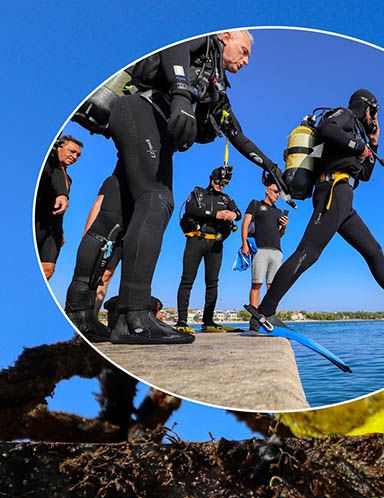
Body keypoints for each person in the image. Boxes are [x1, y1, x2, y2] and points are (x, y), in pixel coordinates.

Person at [63, 29, 284, 345]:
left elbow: (238, 136)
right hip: (142, 111)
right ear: (225, 37)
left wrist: (272, 167)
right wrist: (181, 94)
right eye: (245, 50)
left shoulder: (215, 89)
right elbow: (174, 45)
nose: (246, 60)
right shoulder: (202, 42)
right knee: (157, 199)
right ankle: (134, 315)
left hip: (142, 125)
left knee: (113, 219)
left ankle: (79, 314)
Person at [254, 89, 384, 327]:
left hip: (344, 196)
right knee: (308, 252)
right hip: (332, 191)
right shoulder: (344, 115)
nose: (373, 118)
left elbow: (364, 175)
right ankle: (265, 311)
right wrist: (358, 146)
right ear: (368, 108)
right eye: (373, 112)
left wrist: (373, 143)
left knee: (373, 250)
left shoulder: (355, 132)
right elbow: (327, 129)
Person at [174, 166, 241, 333]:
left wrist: (234, 215)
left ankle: (208, 321)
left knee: (212, 282)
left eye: (224, 183)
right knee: (187, 280)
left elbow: (238, 213)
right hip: (196, 239)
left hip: (216, 243)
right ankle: (182, 321)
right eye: (218, 181)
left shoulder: (227, 199)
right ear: (212, 178)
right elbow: (191, 209)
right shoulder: (198, 194)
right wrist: (216, 215)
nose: (220, 185)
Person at [63, 173, 124, 341]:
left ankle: (93, 319)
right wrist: (88, 232)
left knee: (107, 275)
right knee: (95, 275)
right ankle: (84, 319)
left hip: (125, 233)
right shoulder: (113, 180)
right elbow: (98, 204)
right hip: (106, 232)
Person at [35, 135, 83, 280]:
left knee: (48, 269)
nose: (75, 157)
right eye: (72, 151)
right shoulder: (46, 166)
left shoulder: (68, 179)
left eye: (78, 155)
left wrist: (60, 231)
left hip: (53, 228)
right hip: (38, 221)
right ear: (58, 147)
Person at [242, 174, 289, 308]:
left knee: (272, 287)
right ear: (267, 190)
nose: (277, 195)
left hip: (276, 251)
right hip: (260, 250)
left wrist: (284, 227)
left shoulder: (279, 211)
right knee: (256, 284)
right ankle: (254, 317)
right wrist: (245, 244)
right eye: (275, 192)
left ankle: (269, 315)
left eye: (279, 193)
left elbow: (279, 234)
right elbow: (245, 224)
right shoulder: (255, 204)